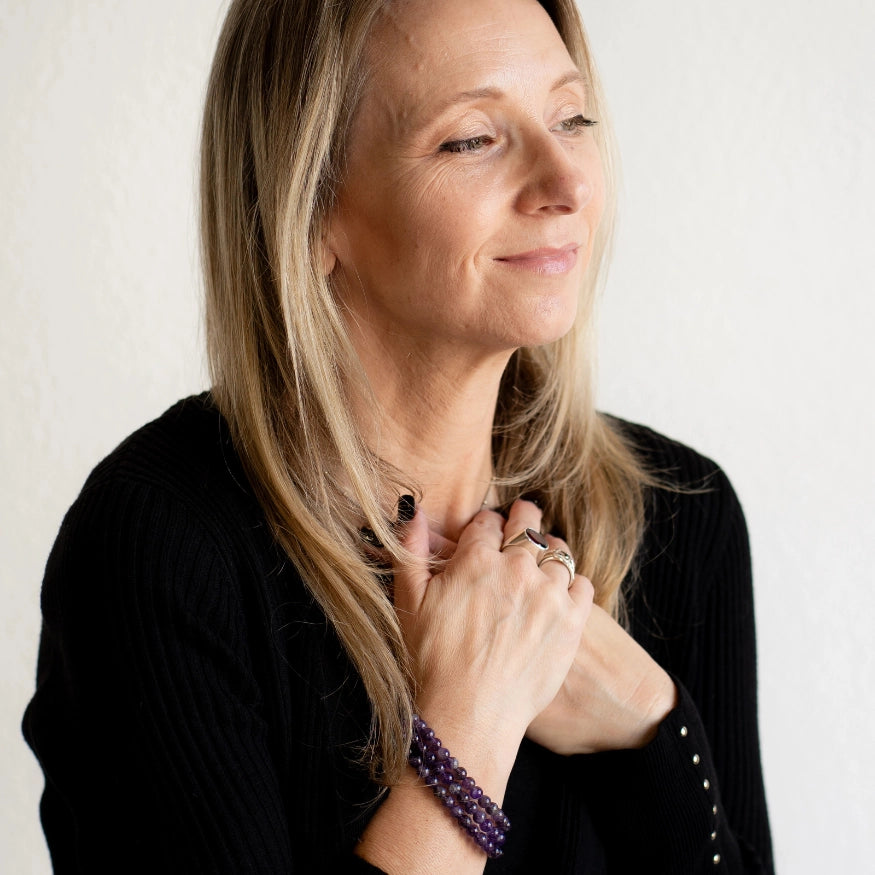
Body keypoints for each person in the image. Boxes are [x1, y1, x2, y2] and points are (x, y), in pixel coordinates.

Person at [22, 0, 774, 872]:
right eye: (471, 139)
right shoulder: (160, 543)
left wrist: (650, 720)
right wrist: (469, 730)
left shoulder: (681, 514)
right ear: (311, 208)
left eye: (571, 117)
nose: (564, 184)